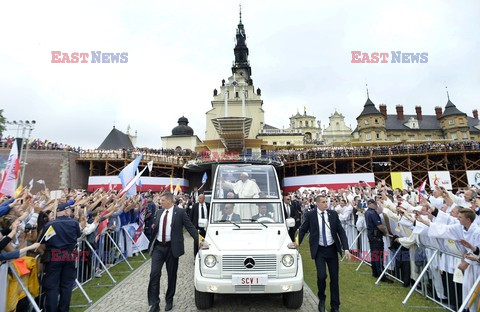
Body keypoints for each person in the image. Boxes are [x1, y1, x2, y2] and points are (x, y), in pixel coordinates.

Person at [298, 195, 351, 312]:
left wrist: (346, 248)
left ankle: (335, 306)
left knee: (334, 279)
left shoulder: (332, 214)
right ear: (317, 203)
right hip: (319, 250)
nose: (326, 204)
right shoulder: (311, 215)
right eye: (323, 202)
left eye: (326, 202)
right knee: (321, 276)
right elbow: (302, 230)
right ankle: (321, 299)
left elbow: (341, 232)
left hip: (332, 250)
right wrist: (296, 243)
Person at [147, 192, 198, 312]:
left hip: (172, 248)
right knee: (154, 274)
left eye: (162, 200)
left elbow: (190, 227)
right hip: (158, 248)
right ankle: (154, 303)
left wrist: (200, 240)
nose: (160, 202)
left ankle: (169, 299)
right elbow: (155, 226)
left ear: (169, 201)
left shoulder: (180, 213)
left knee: (171, 275)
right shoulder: (159, 212)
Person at [40, 202, 81, 312]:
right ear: (67, 211)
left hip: (54, 255)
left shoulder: (50, 225)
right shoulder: (73, 223)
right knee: (66, 286)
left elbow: (42, 241)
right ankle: (63, 309)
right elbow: (78, 235)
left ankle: (52, 309)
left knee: (52, 286)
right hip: (69, 255)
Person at [364, 199, 393, 283]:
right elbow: (380, 226)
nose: (376, 206)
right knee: (379, 256)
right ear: (371, 204)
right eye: (375, 204)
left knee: (374, 254)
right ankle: (382, 275)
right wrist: (384, 232)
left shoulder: (367, 212)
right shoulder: (373, 213)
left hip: (371, 235)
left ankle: (375, 272)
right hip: (376, 236)